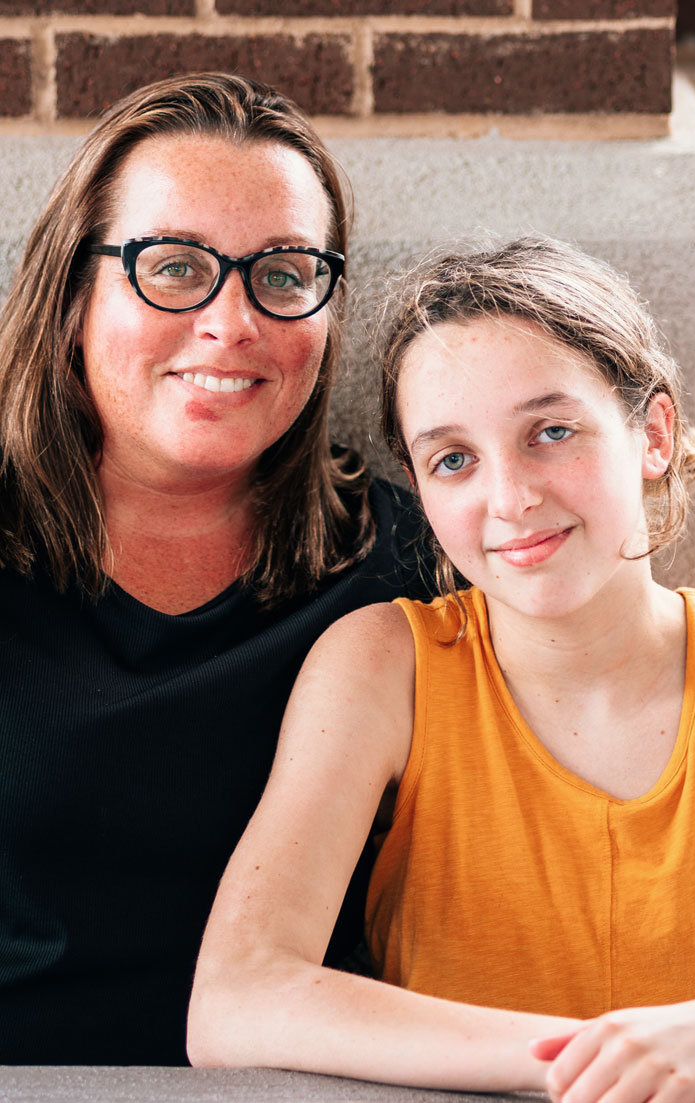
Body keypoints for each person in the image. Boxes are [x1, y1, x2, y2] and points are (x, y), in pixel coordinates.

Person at [188, 237, 695, 1102]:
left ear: (654, 434)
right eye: (454, 459)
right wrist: (604, 1059)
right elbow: (233, 998)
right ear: (419, 486)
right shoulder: (387, 666)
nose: (510, 496)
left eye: (552, 432)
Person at [0, 72, 434, 1065]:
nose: (230, 321)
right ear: (73, 294)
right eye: (174, 265)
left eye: (282, 274)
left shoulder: (407, 567)